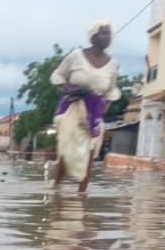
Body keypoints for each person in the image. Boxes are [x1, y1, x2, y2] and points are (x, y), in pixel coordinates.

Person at [51, 20, 121, 193]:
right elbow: (58, 75)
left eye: (109, 34)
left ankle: (82, 196)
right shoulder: (76, 56)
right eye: (103, 33)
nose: (107, 37)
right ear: (93, 36)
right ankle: (56, 190)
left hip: (95, 113)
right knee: (66, 153)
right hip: (73, 109)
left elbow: (111, 92)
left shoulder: (113, 64)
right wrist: (67, 88)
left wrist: (103, 110)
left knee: (89, 153)